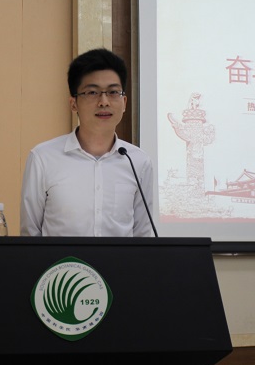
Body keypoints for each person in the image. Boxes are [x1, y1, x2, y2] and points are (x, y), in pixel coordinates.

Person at [20, 48, 155, 237]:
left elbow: (143, 236)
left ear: (124, 102)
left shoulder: (138, 162)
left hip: (120, 259)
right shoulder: (43, 158)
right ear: (73, 103)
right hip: (61, 258)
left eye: (113, 92)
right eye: (92, 92)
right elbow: (30, 234)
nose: (104, 102)